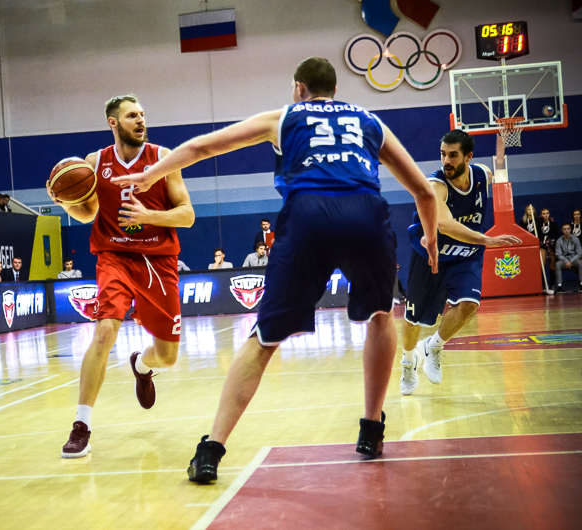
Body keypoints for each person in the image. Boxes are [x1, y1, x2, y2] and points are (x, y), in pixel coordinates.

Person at [112, 57, 440, 480]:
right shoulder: (370, 122)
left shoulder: (284, 117)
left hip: (308, 215)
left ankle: (211, 449)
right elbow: (422, 191)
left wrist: (149, 175)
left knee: (264, 338)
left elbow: (202, 147)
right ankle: (371, 429)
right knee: (380, 316)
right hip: (366, 214)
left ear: (299, 88)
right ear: (334, 89)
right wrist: (430, 241)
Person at [47, 93, 194, 459]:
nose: (140, 120)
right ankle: (81, 425)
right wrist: (65, 201)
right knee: (104, 331)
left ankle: (141, 366)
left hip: (158, 261)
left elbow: (187, 214)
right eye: (132, 115)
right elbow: (87, 213)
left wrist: (150, 216)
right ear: (113, 122)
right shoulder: (95, 162)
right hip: (114, 257)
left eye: (142, 114)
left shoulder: (163, 158)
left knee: (168, 357)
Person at [399, 130, 521, 396]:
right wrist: (485, 239)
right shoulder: (435, 186)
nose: (446, 161)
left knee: (469, 304)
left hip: (465, 253)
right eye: (443, 154)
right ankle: (408, 361)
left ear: (468, 157)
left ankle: (433, 346)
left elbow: (497, 174)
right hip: (431, 256)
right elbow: (444, 224)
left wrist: (501, 156)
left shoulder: (482, 175)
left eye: (453, 155)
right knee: (413, 319)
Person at [554, 223, 582, 293]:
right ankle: (559, 286)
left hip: (574, 259)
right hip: (563, 260)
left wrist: (571, 261)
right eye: (564, 229)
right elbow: (558, 254)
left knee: (580, 263)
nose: (566, 231)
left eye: (568, 229)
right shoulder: (559, 241)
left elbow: (579, 253)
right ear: (562, 230)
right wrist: (566, 261)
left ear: (571, 229)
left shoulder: (575, 239)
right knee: (557, 264)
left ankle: (581, 284)